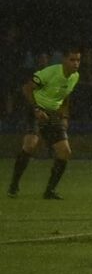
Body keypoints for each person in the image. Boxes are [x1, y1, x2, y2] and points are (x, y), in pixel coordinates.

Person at [8, 47, 82, 199]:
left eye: (78, 60)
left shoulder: (75, 77)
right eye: (72, 60)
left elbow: (66, 97)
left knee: (65, 152)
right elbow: (27, 88)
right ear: (64, 60)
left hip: (53, 114)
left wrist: (65, 117)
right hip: (36, 109)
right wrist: (36, 109)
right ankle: (14, 185)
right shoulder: (50, 72)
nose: (76, 63)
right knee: (30, 145)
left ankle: (49, 191)